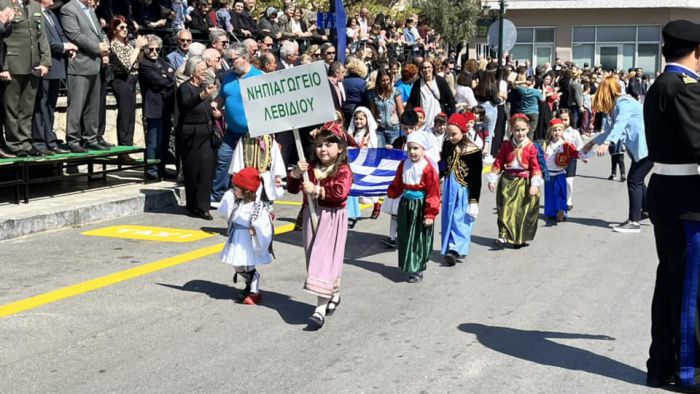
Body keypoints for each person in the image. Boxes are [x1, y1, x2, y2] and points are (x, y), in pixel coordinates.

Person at [643, 19, 700, 390]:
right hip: (687, 200)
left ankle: (661, 364)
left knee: (671, 281)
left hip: (668, 192)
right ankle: (688, 371)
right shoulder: (682, 88)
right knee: (689, 287)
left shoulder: (661, 84)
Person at [287, 123, 353, 330]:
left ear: (340, 148)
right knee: (313, 257)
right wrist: (298, 173)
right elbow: (291, 188)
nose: (323, 149)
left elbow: (340, 193)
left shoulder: (343, 170)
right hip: (311, 215)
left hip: (331, 218)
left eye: (328, 145)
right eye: (319, 145)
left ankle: (319, 310)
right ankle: (334, 292)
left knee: (323, 260)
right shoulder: (311, 168)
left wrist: (316, 189)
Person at [589, 75, 650, 233]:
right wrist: (592, 143)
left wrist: (607, 143)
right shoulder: (621, 103)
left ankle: (634, 221)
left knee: (634, 180)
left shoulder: (624, 103)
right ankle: (647, 210)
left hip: (648, 148)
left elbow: (620, 124)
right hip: (646, 148)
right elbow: (611, 129)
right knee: (638, 180)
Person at [386, 130, 440, 283]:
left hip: (421, 206)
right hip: (406, 205)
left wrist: (430, 214)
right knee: (404, 235)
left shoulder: (428, 168)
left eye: (416, 148)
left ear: (423, 150)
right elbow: (397, 183)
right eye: (409, 148)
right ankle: (408, 264)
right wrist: (391, 192)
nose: (412, 152)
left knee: (417, 237)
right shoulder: (403, 164)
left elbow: (433, 193)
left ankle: (417, 268)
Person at [213, 42, 263, 206]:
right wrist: (216, 105)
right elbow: (222, 97)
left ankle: (250, 196)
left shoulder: (259, 77)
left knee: (249, 165)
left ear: (244, 58)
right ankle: (217, 194)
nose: (231, 62)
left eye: (233, 59)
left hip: (253, 132)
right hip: (232, 131)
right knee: (223, 159)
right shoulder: (229, 77)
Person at [0, 0, 50, 157]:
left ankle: (26, 144)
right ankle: (14, 144)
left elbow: (41, 35)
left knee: (27, 109)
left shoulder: (34, 6)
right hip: (12, 64)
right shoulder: (3, 4)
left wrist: (45, 62)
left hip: (32, 65)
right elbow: (2, 41)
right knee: (11, 109)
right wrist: (4, 67)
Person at [217, 167, 274, 305]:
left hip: (247, 239)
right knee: (237, 265)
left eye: (237, 189)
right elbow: (224, 212)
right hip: (236, 236)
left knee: (247, 264)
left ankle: (254, 291)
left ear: (247, 191)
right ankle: (249, 283)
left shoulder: (257, 207)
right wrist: (229, 195)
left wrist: (256, 230)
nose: (234, 191)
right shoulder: (237, 202)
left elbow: (264, 224)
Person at [60, 0, 110, 153]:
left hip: (95, 64)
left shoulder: (90, 10)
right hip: (80, 64)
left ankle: (91, 138)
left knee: (93, 106)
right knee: (76, 105)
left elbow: (100, 32)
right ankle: (73, 139)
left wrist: (105, 47)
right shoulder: (68, 9)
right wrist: (97, 48)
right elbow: (75, 34)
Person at [488, 114, 543, 248]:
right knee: (505, 209)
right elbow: (499, 162)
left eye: (523, 130)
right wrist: (493, 179)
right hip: (507, 181)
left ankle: (520, 238)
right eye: (517, 130)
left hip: (524, 183)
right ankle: (503, 236)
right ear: (511, 130)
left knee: (522, 212)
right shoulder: (506, 145)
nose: (520, 133)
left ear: (528, 129)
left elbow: (536, 167)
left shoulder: (531, 147)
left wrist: (535, 184)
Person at [176, 56, 220, 219]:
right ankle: (193, 205)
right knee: (192, 170)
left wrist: (215, 112)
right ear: (193, 71)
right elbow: (186, 105)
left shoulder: (204, 87)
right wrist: (202, 95)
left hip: (206, 133)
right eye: (202, 70)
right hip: (190, 134)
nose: (205, 73)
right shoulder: (185, 88)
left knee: (206, 171)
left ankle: (203, 206)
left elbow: (207, 108)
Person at [31, 0, 75, 156]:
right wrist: (64, 47)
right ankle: (38, 142)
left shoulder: (51, 14)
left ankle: (50, 140)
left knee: (50, 106)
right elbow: (42, 41)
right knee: (40, 106)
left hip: (57, 65)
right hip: (44, 64)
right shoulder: (35, 13)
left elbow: (61, 35)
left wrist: (69, 47)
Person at [439, 113, 482, 266]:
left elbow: (476, 177)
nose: (451, 137)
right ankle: (452, 246)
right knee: (448, 218)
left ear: (463, 131)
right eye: (448, 134)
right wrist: (437, 175)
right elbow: (444, 163)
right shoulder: (447, 144)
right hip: (450, 186)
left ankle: (456, 249)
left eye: (454, 134)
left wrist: (474, 201)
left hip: (464, 190)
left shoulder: (473, 150)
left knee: (461, 219)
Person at [108, 16, 147, 155]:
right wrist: (137, 47)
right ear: (114, 30)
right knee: (125, 117)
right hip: (121, 81)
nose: (125, 30)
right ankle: (123, 150)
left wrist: (141, 48)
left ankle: (128, 149)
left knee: (131, 117)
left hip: (132, 81)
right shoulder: (114, 45)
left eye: (126, 27)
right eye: (121, 27)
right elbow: (126, 64)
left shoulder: (126, 44)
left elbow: (138, 60)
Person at [139, 35, 176, 179]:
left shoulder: (162, 61)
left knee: (164, 141)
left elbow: (171, 77)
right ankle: (152, 171)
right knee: (153, 141)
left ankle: (161, 169)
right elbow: (160, 81)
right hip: (153, 108)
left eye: (157, 49)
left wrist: (167, 79)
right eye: (151, 49)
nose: (154, 52)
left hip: (166, 107)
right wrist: (167, 78)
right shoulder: (144, 64)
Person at [229, 133, 286, 205]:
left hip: (264, 178)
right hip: (247, 178)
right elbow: (238, 157)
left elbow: (276, 158)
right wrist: (236, 174)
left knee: (264, 203)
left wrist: (277, 176)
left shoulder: (269, 139)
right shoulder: (244, 138)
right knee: (247, 203)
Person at [542, 119, 579, 222]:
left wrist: (584, 155)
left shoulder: (565, 144)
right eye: (554, 130)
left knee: (561, 193)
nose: (557, 132)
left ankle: (561, 211)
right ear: (550, 132)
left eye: (559, 130)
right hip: (549, 174)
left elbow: (575, 153)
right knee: (550, 194)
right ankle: (551, 213)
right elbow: (541, 158)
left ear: (562, 131)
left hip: (560, 173)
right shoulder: (546, 144)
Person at [407, 59, 456, 129]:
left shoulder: (440, 81)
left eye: (428, 67)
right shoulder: (417, 83)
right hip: (423, 120)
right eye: (424, 68)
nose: (426, 70)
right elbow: (411, 101)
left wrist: (452, 116)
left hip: (438, 119)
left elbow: (450, 99)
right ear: (421, 70)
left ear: (432, 68)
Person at [556, 108, 584, 210]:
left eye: (565, 119)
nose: (563, 122)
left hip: (571, 159)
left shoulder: (574, 132)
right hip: (557, 160)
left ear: (570, 119)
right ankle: (558, 201)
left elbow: (580, 146)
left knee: (569, 181)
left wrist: (582, 156)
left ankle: (569, 200)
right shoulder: (554, 131)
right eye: (561, 120)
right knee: (558, 182)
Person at [368, 69, 404, 147]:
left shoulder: (395, 91)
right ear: (379, 81)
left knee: (393, 152)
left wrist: (403, 123)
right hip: (380, 128)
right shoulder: (373, 94)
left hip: (394, 127)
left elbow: (400, 109)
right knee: (379, 152)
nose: (386, 82)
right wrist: (373, 125)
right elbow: (372, 111)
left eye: (387, 80)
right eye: (383, 80)